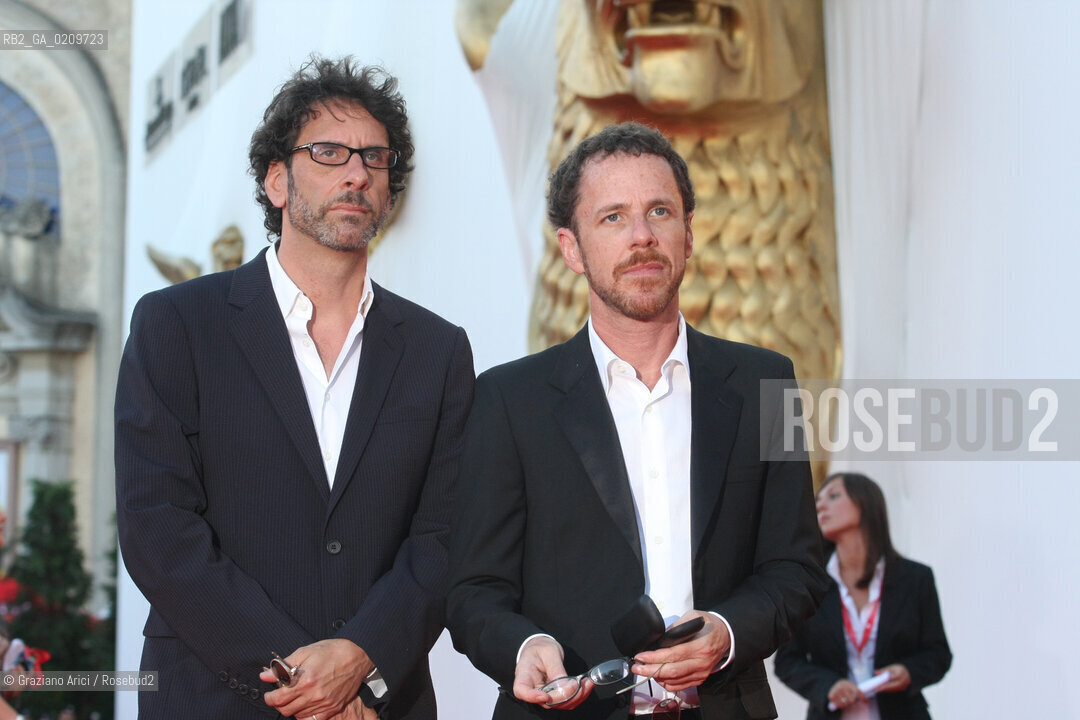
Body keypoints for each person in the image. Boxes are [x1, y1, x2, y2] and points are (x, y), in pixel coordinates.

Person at [115, 56, 474, 720]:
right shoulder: (177, 325)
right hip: (214, 699)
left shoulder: (437, 349)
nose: (357, 172)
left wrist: (360, 657)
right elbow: (158, 532)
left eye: (375, 157)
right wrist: (309, 679)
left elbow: (445, 536)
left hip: (379, 704)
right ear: (277, 181)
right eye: (330, 152)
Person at [446, 122, 829, 720]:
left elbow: (798, 568)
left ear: (689, 234)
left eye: (659, 212)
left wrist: (728, 632)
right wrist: (525, 645)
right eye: (613, 218)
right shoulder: (507, 399)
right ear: (571, 248)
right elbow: (474, 591)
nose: (643, 237)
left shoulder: (765, 381)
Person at [774, 473, 952, 720]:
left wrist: (908, 672)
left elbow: (938, 654)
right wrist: (827, 686)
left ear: (866, 502)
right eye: (817, 500)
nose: (820, 505)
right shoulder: (808, 585)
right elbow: (786, 662)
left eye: (834, 495)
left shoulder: (916, 579)